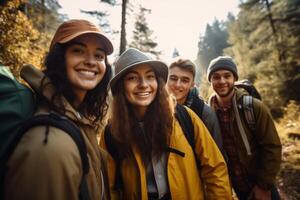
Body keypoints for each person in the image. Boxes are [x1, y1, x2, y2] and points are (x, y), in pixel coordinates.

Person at [100, 48, 232, 200]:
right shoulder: (112, 133)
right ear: (120, 87)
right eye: (132, 78)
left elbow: (215, 169)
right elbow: (110, 189)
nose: (143, 84)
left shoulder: (184, 117)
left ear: (158, 82)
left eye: (150, 77)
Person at [4, 19, 113, 200]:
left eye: (99, 55)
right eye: (78, 51)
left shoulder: (77, 117)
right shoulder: (50, 144)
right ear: (58, 58)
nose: (91, 61)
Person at [207, 56, 282, 200]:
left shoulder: (253, 107)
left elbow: (272, 147)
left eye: (227, 76)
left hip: (260, 182)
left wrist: (263, 186)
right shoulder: (208, 112)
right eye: (216, 77)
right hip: (238, 187)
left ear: (234, 78)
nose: (222, 81)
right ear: (210, 81)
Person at [167, 58, 224, 154]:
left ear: (192, 85)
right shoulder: (155, 108)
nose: (177, 85)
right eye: (173, 78)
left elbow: (216, 154)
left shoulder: (204, 113)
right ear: (166, 79)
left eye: (184, 80)